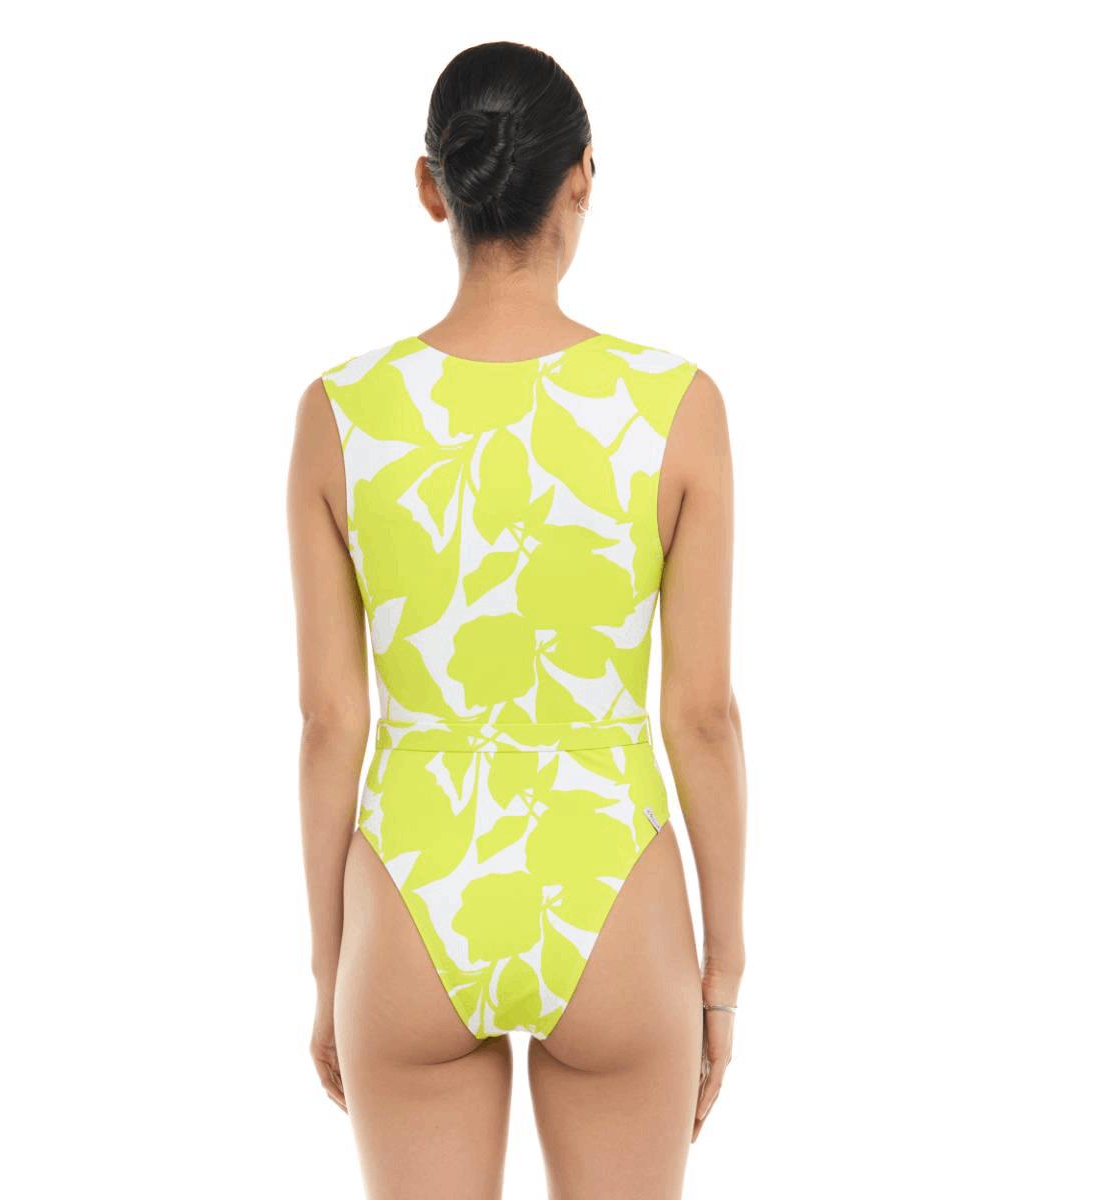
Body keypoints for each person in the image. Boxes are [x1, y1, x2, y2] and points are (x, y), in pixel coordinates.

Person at [287, 40, 746, 1200]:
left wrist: (330, 967)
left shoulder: (340, 414)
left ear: (432, 186)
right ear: (582, 175)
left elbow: (331, 721)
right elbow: (700, 716)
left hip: (413, 889)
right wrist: (723, 969)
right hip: (610, 884)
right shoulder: (677, 408)